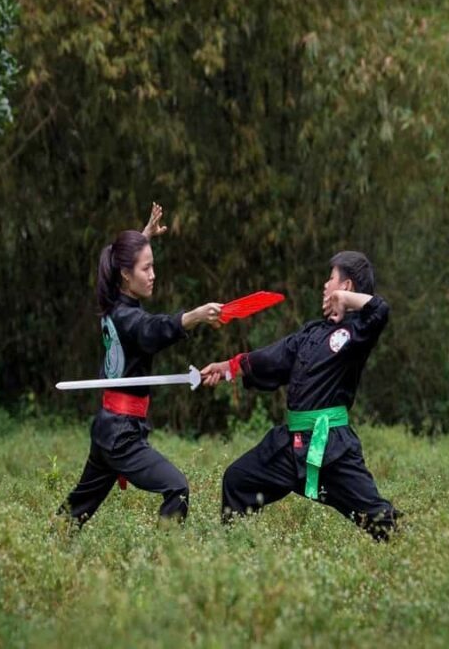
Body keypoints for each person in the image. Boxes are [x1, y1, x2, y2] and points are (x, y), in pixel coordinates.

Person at [201, 250, 400, 541]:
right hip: (290, 447)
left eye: (330, 279)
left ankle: (417, 551)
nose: (324, 285)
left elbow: (380, 309)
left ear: (346, 287)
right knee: (238, 480)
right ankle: (234, 553)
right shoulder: (311, 333)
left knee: (380, 520)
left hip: (332, 450)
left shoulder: (357, 332)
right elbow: (271, 358)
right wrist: (227, 368)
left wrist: (346, 302)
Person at [57, 204, 222, 526]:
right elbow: (150, 330)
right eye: (145, 269)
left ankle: (47, 547)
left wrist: (143, 237)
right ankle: (163, 562)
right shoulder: (128, 317)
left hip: (110, 425)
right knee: (178, 488)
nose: (153, 275)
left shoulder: (113, 303)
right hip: (120, 433)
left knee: (77, 510)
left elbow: (118, 264)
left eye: (152, 266)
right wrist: (194, 317)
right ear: (125, 273)